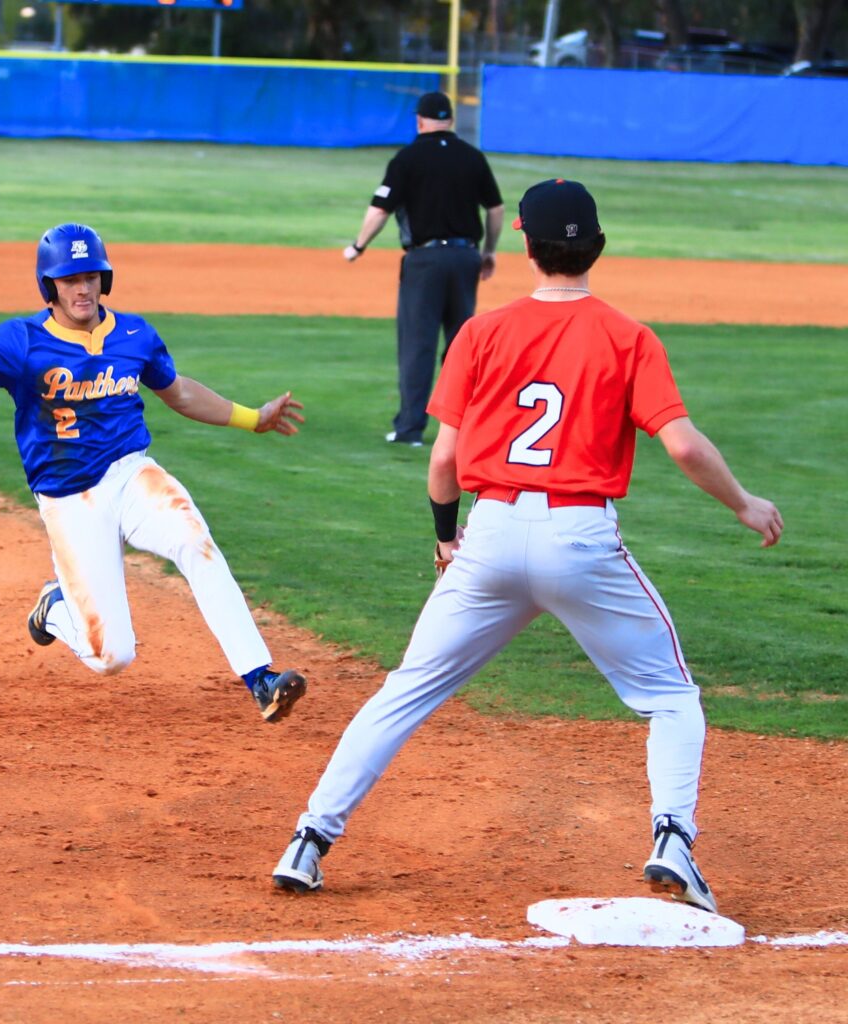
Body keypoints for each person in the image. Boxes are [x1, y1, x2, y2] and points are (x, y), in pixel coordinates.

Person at [273, 179, 784, 912]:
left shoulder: (481, 333)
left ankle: (309, 839)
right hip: (580, 537)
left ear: (522, 242)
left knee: (405, 692)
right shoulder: (628, 336)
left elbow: (444, 463)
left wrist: (447, 540)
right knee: (671, 698)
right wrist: (743, 502)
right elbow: (681, 444)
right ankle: (672, 838)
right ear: (597, 249)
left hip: (491, 531)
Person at [0, 222, 307, 724]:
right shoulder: (22, 342)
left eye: (91, 276)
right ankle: (54, 608)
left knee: (196, 540)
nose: (82, 288)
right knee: (111, 656)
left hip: (131, 474)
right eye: (69, 278)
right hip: (68, 499)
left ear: (104, 279)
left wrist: (253, 418)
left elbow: (180, 392)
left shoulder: (134, 334)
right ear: (50, 285)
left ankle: (260, 679)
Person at [342, 91, 505, 448]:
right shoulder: (472, 157)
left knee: (418, 345)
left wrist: (358, 246)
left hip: (425, 261)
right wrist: (489, 251)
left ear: (419, 121)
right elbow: (495, 208)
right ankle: (467, 429)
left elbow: (380, 210)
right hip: (466, 258)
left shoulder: (408, 158)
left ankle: (410, 429)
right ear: (450, 120)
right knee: (463, 345)